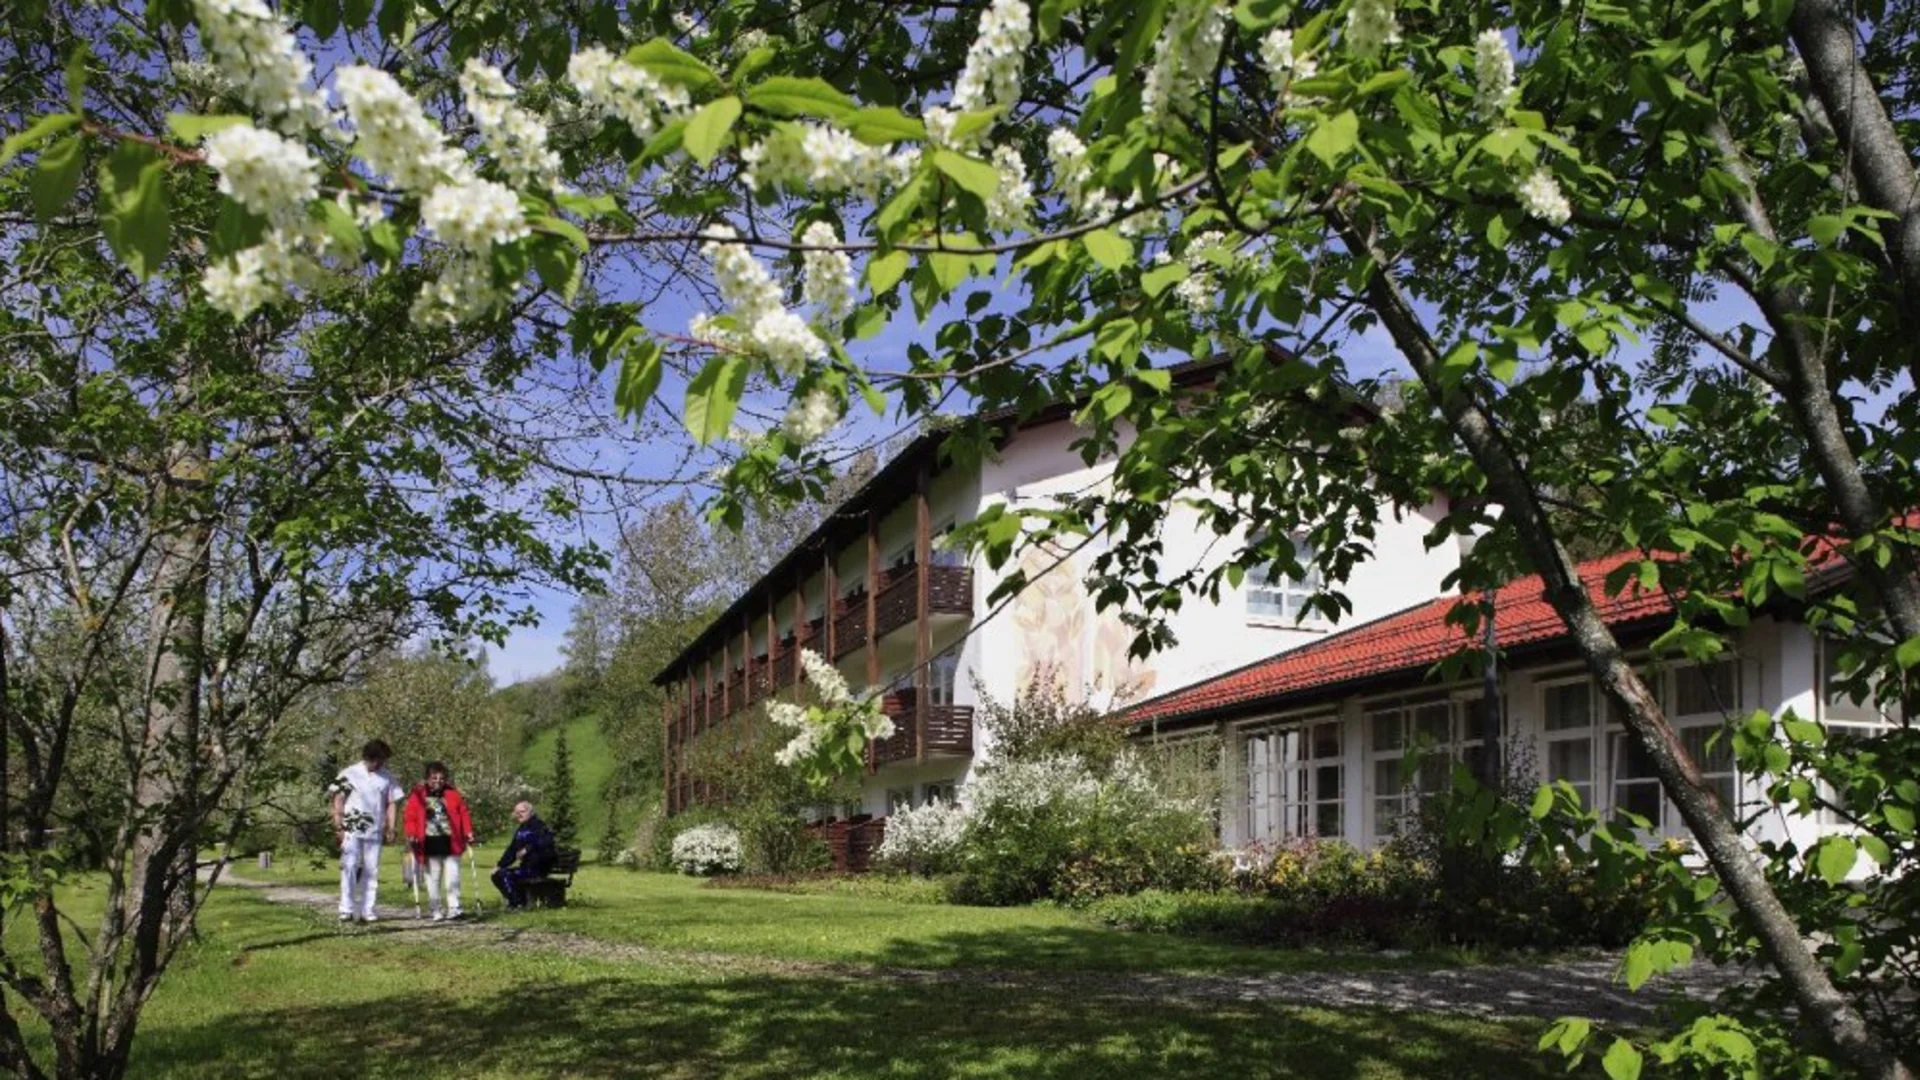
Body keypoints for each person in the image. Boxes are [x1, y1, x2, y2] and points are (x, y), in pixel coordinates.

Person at [331, 739, 402, 923]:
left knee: (372, 870)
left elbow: (392, 803)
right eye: (378, 759)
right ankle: (346, 908)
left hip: (375, 830)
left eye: (383, 760)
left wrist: (392, 827)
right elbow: (338, 800)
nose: (380, 763)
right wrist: (338, 825)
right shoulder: (349, 773)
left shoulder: (387, 777)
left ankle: (368, 909)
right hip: (351, 829)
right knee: (349, 866)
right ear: (369, 757)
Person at [402, 761, 477, 921]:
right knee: (433, 877)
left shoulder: (452, 793)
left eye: (441, 778)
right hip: (429, 841)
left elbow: (463, 813)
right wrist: (411, 833)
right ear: (427, 778)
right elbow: (410, 816)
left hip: (451, 840)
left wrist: (468, 831)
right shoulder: (418, 794)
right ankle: (435, 908)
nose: (438, 781)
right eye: (434, 778)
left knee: (453, 875)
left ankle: (454, 908)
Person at [491, 801, 556, 910]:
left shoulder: (539, 826)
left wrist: (528, 849)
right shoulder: (521, 829)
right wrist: (500, 865)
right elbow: (512, 849)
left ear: (530, 812)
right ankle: (514, 902)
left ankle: (519, 904)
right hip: (526, 868)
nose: (519, 815)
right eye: (517, 813)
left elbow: (545, 842)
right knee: (498, 874)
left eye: (522, 812)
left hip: (539, 867)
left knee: (507, 875)